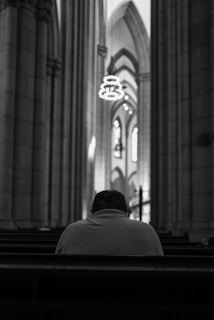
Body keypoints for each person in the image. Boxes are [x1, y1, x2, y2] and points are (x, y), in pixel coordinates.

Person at [55, 190, 164, 255]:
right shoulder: (147, 230)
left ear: (92, 211)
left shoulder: (72, 231)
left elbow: (56, 266)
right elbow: (161, 266)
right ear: (126, 211)